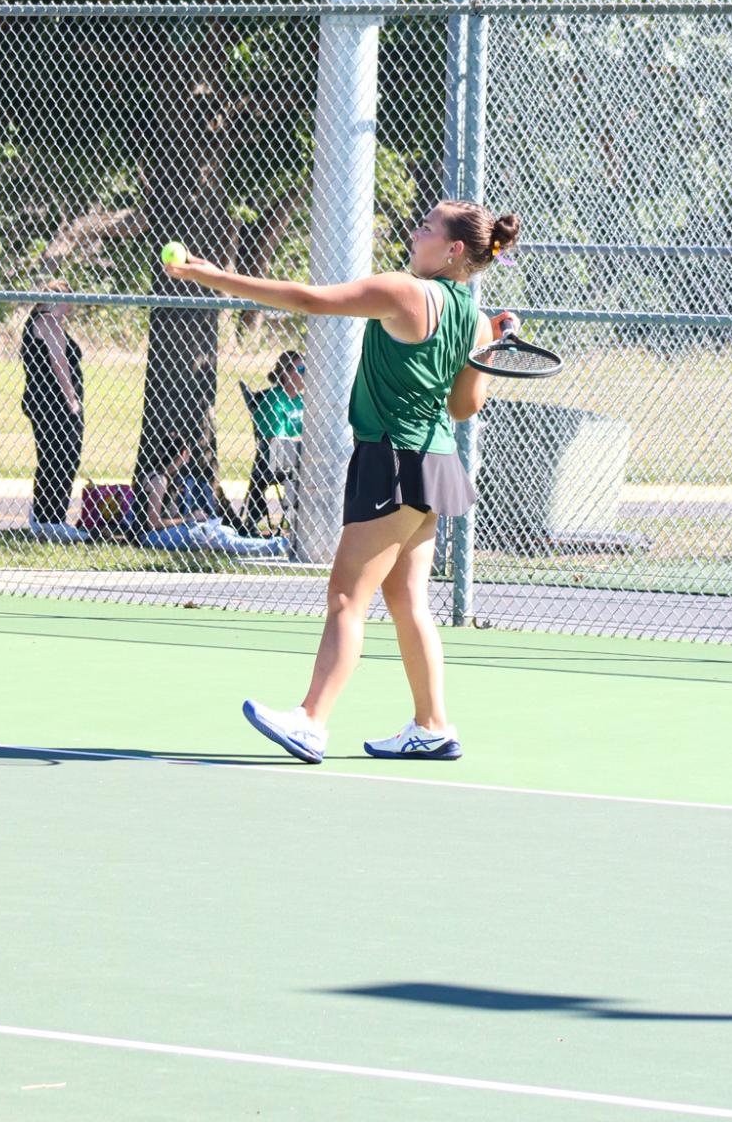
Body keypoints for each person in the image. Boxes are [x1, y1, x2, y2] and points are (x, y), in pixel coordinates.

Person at [167, 200, 522, 763]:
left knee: (344, 598)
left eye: (427, 227)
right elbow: (463, 407)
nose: (416, 230)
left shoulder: (405, 291)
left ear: (453, 249)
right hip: (435, 463)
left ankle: (311, 720)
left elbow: (310, 300)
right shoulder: (474, 319)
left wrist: (209, 276)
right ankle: (431, 725)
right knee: (408, 601)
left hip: (392, 460)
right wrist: (486, 349)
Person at [130, 431, 289, 558]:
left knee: (223, 532)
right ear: (184, 453)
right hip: (151, 536)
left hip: (161, 533)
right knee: (212, 535)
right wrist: (188, 519)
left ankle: (274, 544)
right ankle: (276, 546)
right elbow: (153, 523)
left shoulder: (160, 475)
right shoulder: (159, 480)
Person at [20, 285, 85, 529]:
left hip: (41, 400)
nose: (72, 305)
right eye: (70, 299)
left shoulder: (35, 322)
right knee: (63, 455)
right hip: (54, 402)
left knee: (49, 456)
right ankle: (53, 518)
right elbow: (59, 362)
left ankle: (44, 517)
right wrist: (72, 399)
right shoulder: (49, 322)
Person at [242, 349, 304, 534]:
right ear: (285, 373)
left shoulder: (303, 400)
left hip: (303, 455)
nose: (306, 374)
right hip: (277, 459)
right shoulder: (273, 400)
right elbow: (276, 440)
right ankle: (296, 526)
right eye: (301, 369)